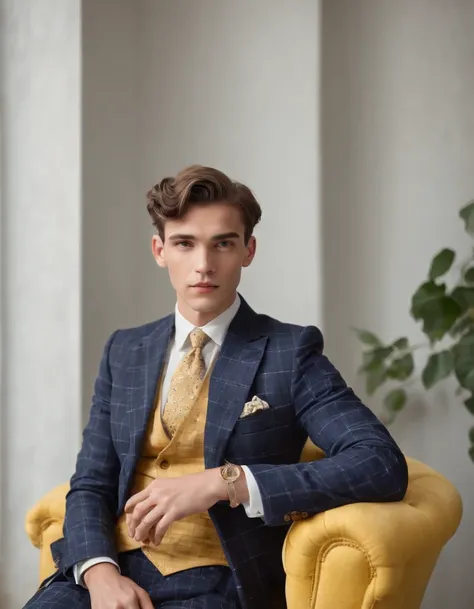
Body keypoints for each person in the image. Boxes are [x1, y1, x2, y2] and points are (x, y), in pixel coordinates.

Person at [24, 165, 408, 609]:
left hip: (220, 580)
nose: (204, 265)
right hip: (108, 571)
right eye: (184, 243)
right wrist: (98, 573)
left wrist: (227, 481)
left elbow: (380, 464)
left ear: (248, 250)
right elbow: (92, 482)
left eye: (223, 243)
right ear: (159, 250)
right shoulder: (125, 350)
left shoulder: (290, 351)